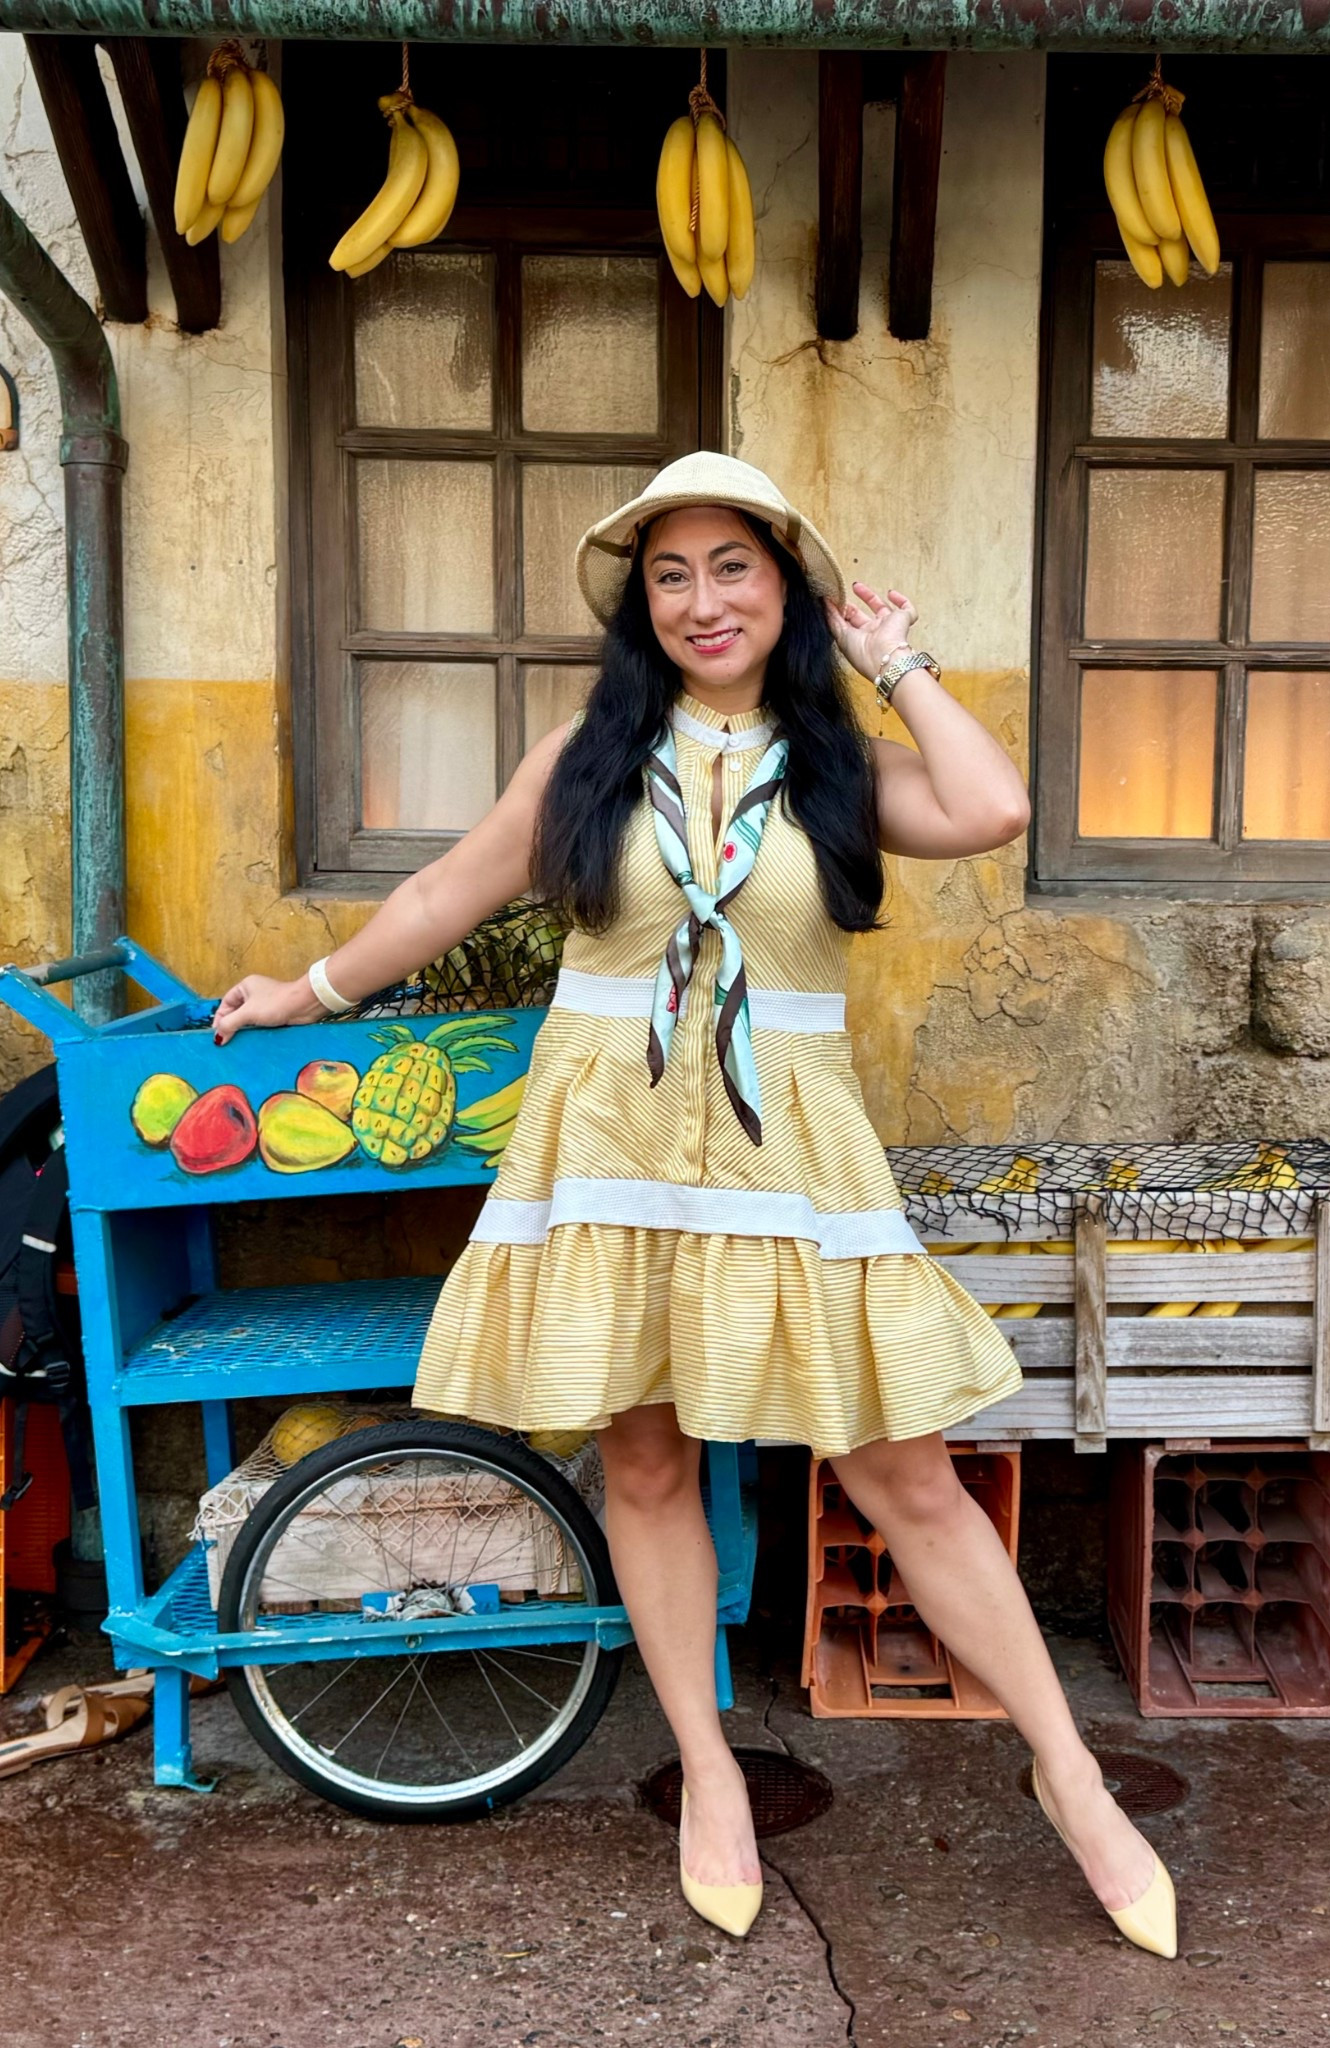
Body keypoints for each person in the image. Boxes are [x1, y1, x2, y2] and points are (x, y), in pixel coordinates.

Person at [213, 453, 1177, 1957]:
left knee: (905, 1474)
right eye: (670, 574)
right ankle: (711, 1772)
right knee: (649, 1471)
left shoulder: (835, 762)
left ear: (783, 584)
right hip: (612, 1149)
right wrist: (303, 994)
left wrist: (897, 661)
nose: (701, 599)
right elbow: (439, 898)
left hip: (792, 1154)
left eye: (733, 565)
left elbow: (992, 807)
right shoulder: (587, 758)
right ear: (639, 603)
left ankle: (1070, 1771)